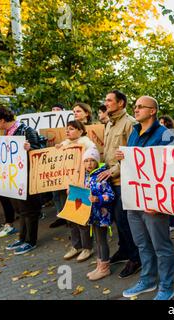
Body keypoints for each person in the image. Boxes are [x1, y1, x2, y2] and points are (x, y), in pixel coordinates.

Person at [117, 96, 174, 300]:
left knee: (161, 246)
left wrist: (159, 201)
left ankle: (167, 286)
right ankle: (148, 280)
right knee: (142, 244)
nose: (136, 109)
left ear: (153, 111)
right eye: (135, 106)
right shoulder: (134, 133)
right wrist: (123, 158)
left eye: (140, 107)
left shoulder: (166, 135)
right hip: (134, 199)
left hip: (153, 202)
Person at [97, 89, 141, 278]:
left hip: (123, 180)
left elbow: (132, 155)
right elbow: (108, 152)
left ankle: (135, 258)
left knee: (124, 221)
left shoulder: (130, 123)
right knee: (116, 220)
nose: (106, 103)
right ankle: (123, 250)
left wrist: (112, 171)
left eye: (109, 100)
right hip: (110, 181)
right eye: (105, 100)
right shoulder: (108, 124)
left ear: (121, 103)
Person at [0, 107, 44, 255]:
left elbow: (40, 149)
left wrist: (31, 148)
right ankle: (23, 238)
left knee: (30, 210)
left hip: (27, 177)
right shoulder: (4, 132)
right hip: (15, 178)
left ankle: (30, 241)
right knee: (21, 210)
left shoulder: (26, 130)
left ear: (2, 120)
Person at [58, 120, 96, 262]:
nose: (68, 131)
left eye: (72, 129)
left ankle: (87, 248)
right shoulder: (65, 144)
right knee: (71, 217)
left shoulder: (88, 145)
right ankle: (76, 246)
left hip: (83, 186)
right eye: (67, 129)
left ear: (80, 131)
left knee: (82, 218)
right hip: (70, 186)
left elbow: (92, 165)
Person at [82, 147, 115, 281]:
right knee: (97, 240)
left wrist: (98, 199)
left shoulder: (101, 177)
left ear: (97, 162)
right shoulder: (87, 176)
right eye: (86, 161)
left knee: (102, 241)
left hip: (102, 215)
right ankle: (99, 265)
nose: (89, 164)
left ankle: (105, 268)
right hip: (92, 215)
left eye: (92, 160)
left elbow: (110, 195)